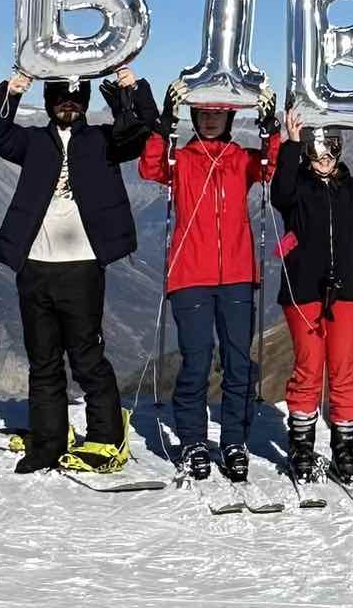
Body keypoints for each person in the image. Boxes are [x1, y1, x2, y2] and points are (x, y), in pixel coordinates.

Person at [0, 66, 158, 475]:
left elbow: (144, 128)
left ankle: (107, 439)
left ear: (86, 103)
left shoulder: (103, 140)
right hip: (34, 265)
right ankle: (47, 442)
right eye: (62, 98)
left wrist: (135, 87)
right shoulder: (32, 141)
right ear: (48, 103)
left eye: (77, 99)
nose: (69, 104)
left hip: (82, 266)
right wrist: (11, 88)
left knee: (86, 357)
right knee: (43, 359)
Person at [137, 85, 281, 483]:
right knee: (196, 363)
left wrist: (272, 128)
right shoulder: (181, 159)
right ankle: (193, 442)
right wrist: (162, 125)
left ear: (231, 118)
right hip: (190, 276)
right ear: (193, 117)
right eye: (202, 113)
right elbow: (150, 169)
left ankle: (234, 441)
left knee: (239, 364)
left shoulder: (240, 159)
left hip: (237, 276)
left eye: (218, 113)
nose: (211, 118)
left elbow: (270, 167)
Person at [270, 108, 353, 486]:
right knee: (309, 368)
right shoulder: (297, 190)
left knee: (343, 370)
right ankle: (302, 450)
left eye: (330, 150)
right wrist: (290, 144)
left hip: (347, 290)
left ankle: (344, 451)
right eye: (316, 151)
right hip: (304, 289)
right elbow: (280, 192)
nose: (323, 159)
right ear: (307, 153)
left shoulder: (350, 188)